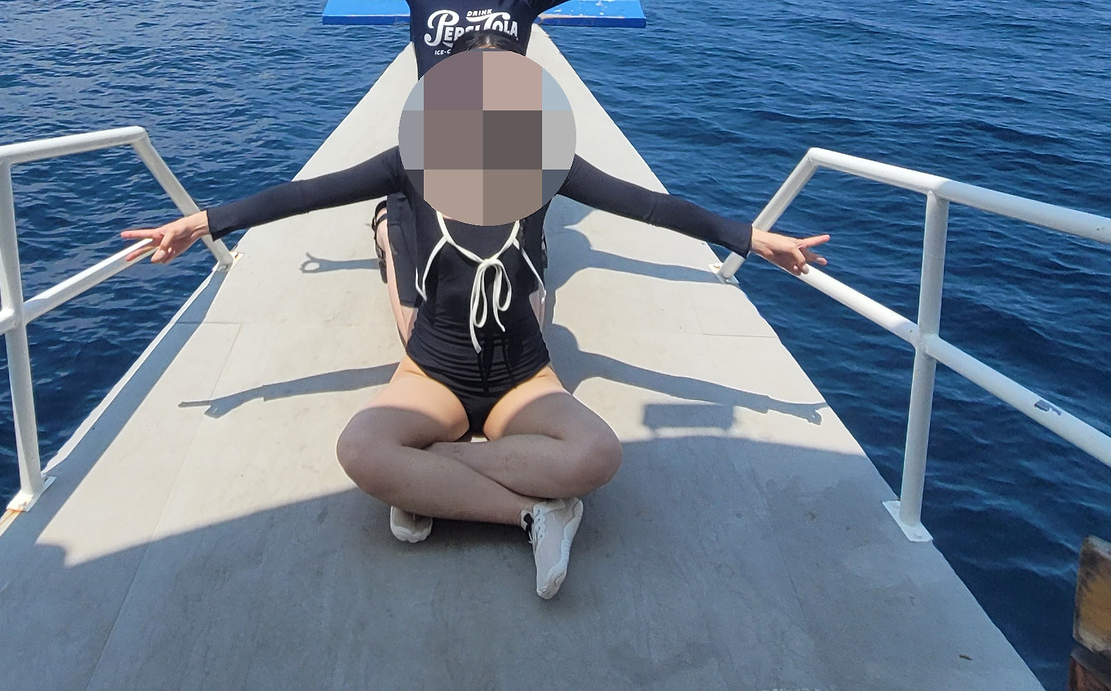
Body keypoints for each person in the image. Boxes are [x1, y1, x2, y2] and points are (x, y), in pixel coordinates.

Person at [122, 41, 828, 601]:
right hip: (433, 372)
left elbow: (649, 205)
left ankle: (429, 480)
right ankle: (533, 514)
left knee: (599, 455)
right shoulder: (411, 164)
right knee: (361, 450)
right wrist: (205, 222)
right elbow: (306, 194)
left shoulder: (549, 166)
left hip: (524, 377)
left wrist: (748, 237)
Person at [190, 0, 777, 343]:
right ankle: (392, 224)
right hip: (436, 145)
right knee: (421, 309)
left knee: (525, 311)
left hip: (507, 142)